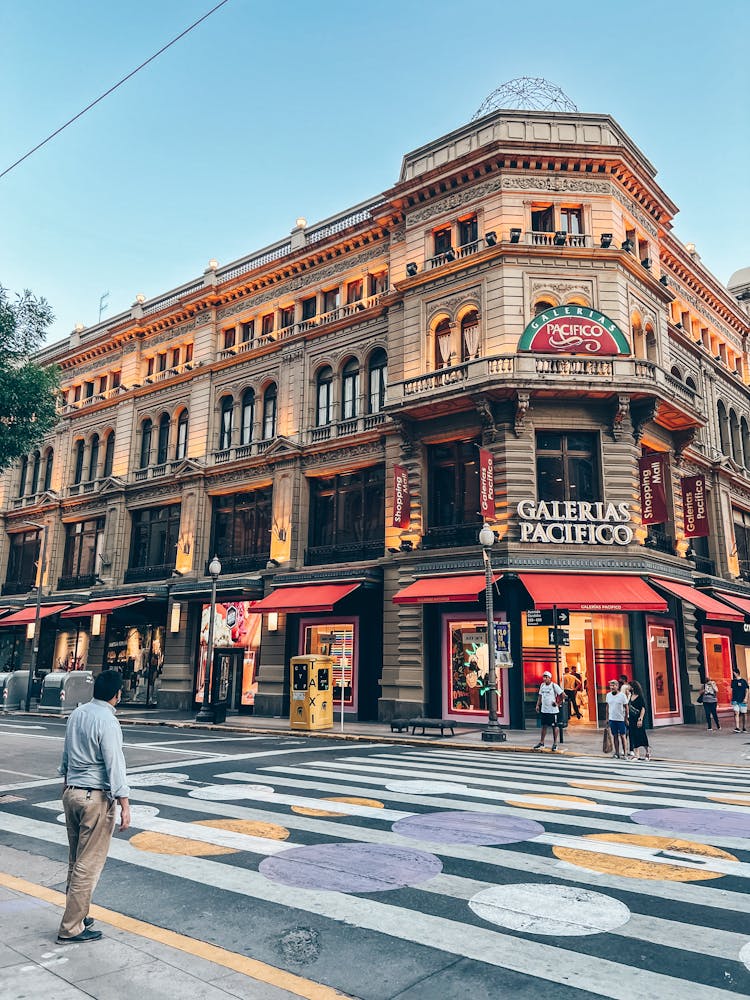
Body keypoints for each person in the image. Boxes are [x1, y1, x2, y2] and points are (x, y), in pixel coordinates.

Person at [57, 670, 131, 944]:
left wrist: (65, 783)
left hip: (72, 793)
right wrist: (124, 804)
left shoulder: (78, 714)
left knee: (76, 861)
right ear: (117, 694)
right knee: (88, 865)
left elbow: (65, 754)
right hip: (94, 798)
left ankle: (79, 913)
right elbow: (115, 764)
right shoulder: (108, 721)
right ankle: (71, 927)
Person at [533, 670, 563, 751]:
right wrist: (537, 705)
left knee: (554, 726)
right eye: (544, 677)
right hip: (544, 710)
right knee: (544, 726)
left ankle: (555, 743)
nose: (544, 678)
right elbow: (540, 696)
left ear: (550, 678)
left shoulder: (554, 686)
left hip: (553, 710)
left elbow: (563, 695)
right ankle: (541, 742)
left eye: (546, 677)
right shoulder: (542, 685)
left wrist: (558, 703)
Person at [626, 679, 651, 761]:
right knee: (633, 736)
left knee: (641, 735)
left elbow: (643, 708)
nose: (628, 687)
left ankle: (647, 751)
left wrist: (640, 719)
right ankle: (636, 755)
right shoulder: (630, 696)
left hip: (638, 719)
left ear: (633, 687)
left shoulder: (640, 697)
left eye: (629, 686)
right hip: (632, 719)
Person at [605, 678, 629, 759]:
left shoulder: (622, 695)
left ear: (617, 686)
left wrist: (626, 718)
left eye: (614, 685)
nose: (612, 687)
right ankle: (617, 752)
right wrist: (607, 718)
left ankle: (625, 753)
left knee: (623, 736)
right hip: (612, 719)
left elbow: (626, 707)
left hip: (621, 719)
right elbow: (607, 707)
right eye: (611, 686)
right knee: (615, 736)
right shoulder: (608, 695)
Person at [731, 667, 748, 733]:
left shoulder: (743, 681)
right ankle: (737, 727)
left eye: (734, 673)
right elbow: (732, 690)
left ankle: (744, 727)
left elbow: (747, 690)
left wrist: (746, 698)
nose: (733, 674)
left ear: (737, 673)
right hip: (735, 699)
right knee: (736, 712)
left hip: (742, 699)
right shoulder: (733, 681)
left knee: (744, 713)